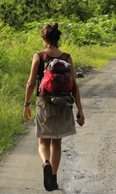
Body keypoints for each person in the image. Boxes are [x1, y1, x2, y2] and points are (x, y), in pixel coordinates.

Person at [24, 22, 84, 192]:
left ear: (44, 38)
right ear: (58, 38)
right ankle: (54, 178)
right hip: (64, 104)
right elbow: (74, 86)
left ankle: (46, 164)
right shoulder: (66, 57)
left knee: (43, 142)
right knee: (57, 143)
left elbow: (30, 83)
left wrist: (27, 104)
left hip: (45, 103)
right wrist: (80, 109)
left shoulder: (39, 56)